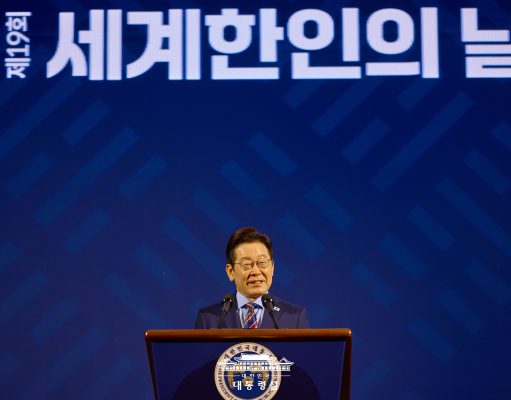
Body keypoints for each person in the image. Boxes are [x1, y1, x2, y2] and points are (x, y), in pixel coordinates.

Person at [195, 227, 310, 329]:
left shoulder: (295, 317)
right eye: (246, 264)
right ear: (230, 272)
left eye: (262, 263)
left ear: (272, 267)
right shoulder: (209, 319)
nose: (256, 271)